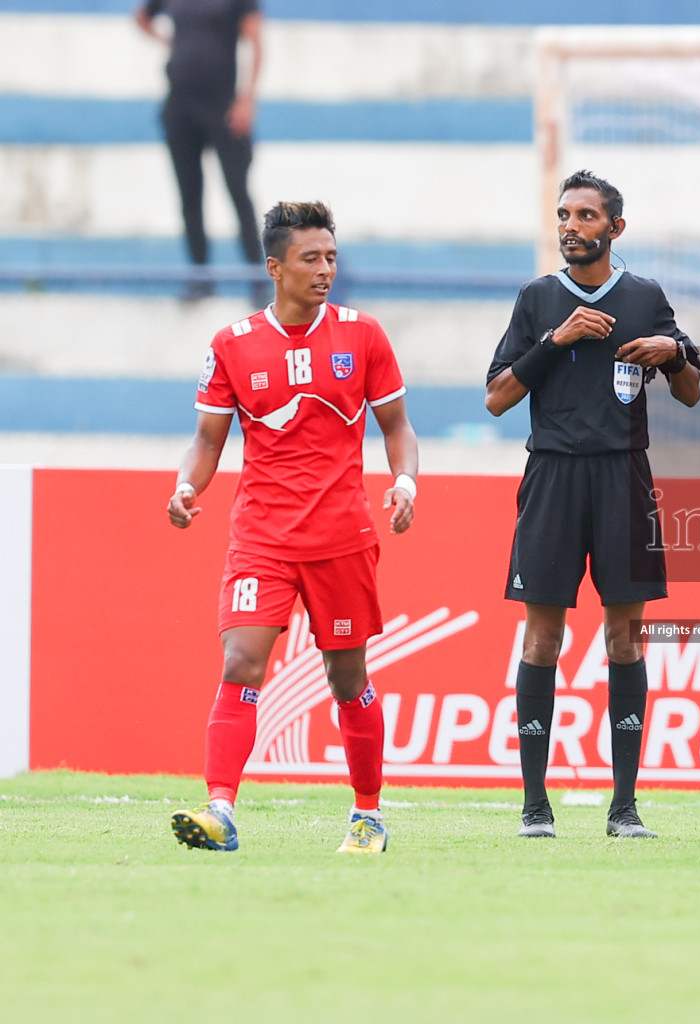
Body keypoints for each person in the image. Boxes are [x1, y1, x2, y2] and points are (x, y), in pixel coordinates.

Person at [166, 201, 419, 855]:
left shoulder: (363, 336)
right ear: (275, 267)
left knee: (346, 679)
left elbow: (396, 428)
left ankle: (368, 816)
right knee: (241, 661)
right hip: (262, 538)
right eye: (312, 258)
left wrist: (405, 480)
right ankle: (220, 810)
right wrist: (188, 486)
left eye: (332, 257)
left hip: (342, 538)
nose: (326, 269)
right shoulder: (233, 343)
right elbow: (206, 439)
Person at [486, 170, 700, 840]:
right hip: (552, 476)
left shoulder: (644, 297)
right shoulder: (538, 299)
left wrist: (675, 351)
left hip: (623, 478)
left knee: (624, 636)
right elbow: (496, 396)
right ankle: (533, 806)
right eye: (564, 215)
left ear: (615, 227)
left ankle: (625, 806)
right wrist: (557, 340)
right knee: (543, 637)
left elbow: (691, 393)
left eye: (585, 215)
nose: (571, 227)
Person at [135, 0, 265, 303]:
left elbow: (256, 42)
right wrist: (169, 42)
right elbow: (142, 17)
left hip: (223, 107)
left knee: (238, 191)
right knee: (189, 195)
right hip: (180, 107)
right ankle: (200, 278)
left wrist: (247, 99)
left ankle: (257, 277)